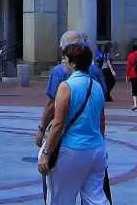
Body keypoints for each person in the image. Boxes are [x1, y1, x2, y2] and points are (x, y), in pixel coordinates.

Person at [38, 42, 109, 205]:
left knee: (60, 199)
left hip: (72, 150)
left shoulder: (66, 86)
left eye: (65, 59)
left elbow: (58, 124)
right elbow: (102, 120)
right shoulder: (96, 86)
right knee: (96, 199)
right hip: (96, 149)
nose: (63, 62)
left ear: (73, 63)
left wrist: (46, 153)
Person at [35, 31, 107, 150]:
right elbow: (101, 111)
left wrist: (42, 130)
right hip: (94, 141)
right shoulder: (96, 72)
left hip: (69, 142)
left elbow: (52, 105)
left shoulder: (59, 72)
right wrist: (101, 137)